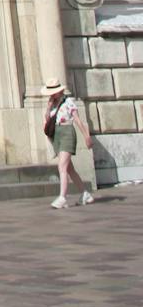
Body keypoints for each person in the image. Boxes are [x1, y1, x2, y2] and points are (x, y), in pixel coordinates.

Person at [44, 78, 94, 209]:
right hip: (57, 135)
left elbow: (77, 120)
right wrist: (48, 108)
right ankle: (85, 194)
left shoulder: (68, 102)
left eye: (53, 92)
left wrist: (86, 136)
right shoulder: (52, 104)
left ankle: (63, 197)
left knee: (62, 166)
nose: (51, 95)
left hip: (67, 132)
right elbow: (47, 120)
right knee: (69, 169)